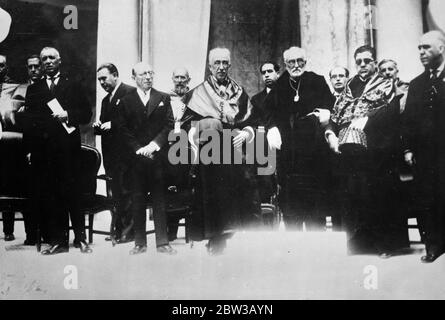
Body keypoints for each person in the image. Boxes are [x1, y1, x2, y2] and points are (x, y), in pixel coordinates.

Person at [325, 45, 409, 257]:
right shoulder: (348, 86)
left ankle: (385, 246)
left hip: (377, 151)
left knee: (379, 196)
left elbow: (392, 114)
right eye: (359, 61)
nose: (362, 65)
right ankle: (359, 244)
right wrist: (330, 134)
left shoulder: (387, 84)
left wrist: (368, 119)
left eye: (367, 61)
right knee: (354, 197)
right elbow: (335, 117)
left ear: (374, 62)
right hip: (350, 152)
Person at [181, 47, 261, 255]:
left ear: (230, 65)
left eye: (225, 63)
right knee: (213, 187)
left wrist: (246, 133)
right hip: (208, 152)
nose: (221, 67)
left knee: (245, 177)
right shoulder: (197, 93)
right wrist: (198, 136)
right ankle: (215, 239)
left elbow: (253, 121)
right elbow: (186, 127)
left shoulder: (240, 92)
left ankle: (239, 237)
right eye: (217, 63)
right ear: (209, 66)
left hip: (235, 149)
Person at [21, 47, 93, 255]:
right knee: (53, 196)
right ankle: (59, 241)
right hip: (45, 152)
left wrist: (67, 114)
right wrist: (29, 149)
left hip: (69, 150)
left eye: (52, 58)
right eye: (44, 59)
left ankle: (80, 239)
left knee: (74, 193)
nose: (48, 61)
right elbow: (29, 123)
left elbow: (86, 113)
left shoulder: (74, 85)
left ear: (60, 61)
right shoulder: (34, 89)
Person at [263, 46, 334, 231]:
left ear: (305, 62)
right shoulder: (279, 85)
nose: (296, 65)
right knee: (291, 203)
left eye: (299, 61)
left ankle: (316, 243)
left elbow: (329, 104)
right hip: (289, 150)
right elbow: (267, 112)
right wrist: (272, 129)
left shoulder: (316, 80)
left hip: (313, 147)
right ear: (285, 64)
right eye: (291, 62)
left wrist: (320, 114)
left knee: (315, 204)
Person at [116, 62, 176, 255]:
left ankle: (163, 243)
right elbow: (122, 130)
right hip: (136, 160)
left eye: (151, 73)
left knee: (160, 199)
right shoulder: (125, 100)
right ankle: (139, 243)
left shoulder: (163, 98)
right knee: (138, 199)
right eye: (143, 74)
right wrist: (139, 149)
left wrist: (154, 145)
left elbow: (169, 125)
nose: (148, 77)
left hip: (157, 157)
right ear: (134, 77)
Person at [403, 31, 445, 263]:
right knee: (426, 199)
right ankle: (433, 246)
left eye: (426, 47)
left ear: (441, 48)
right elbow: (408, 120)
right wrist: (407, 149)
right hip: (425, 155)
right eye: (419, 48)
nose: (421, 52)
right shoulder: (418, 84)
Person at [94, 63, 135, 243]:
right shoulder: (105, 100)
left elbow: (136, 123)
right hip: (111, 156)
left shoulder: (130, 93)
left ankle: (128, 232)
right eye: (99, 80)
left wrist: (113, 124)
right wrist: (99, 126)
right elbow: (105, 123)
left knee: (127, 192)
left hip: (126, 155)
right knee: (115, 194)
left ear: (115, 75)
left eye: (104, 78)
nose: (102, 82)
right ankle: (116, 231)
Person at [165, 67, 192, 241]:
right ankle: (171, 232)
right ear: (172, 79)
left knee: (188, 188)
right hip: (169, 149)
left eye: (183, 78)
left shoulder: (196, 98)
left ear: (189, 80)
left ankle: (192, 232)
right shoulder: (164, 98)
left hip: (189, 149)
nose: (180, 80)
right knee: (170, 189)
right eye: (177, 77)